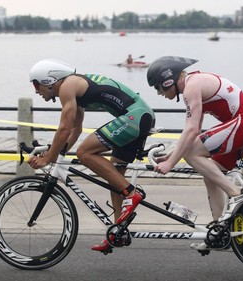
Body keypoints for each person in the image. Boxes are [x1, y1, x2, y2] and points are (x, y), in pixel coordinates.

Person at [28, 59, 155, 252]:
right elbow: (75, 130)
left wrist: (47, 158)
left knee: (85, 152)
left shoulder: (67, 86)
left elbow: (64, 127)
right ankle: (117, 232)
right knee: (114, 177)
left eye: (36, 85)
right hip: (139, 116)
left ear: (48, 80)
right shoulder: (75, 89)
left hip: (135, 117)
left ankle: (132, 193)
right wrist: (54, 154)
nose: (36, 91)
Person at [146, 56, 243, 250]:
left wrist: (171, 163)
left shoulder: (192, 87)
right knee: (211, 174)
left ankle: (236, 193)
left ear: (169, 80)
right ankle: (219, 234)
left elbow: (192, 131)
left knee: (192, 154)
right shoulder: (193, 85)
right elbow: (194, 129)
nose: (159, 93)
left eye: (159, 87)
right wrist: (173, 153)